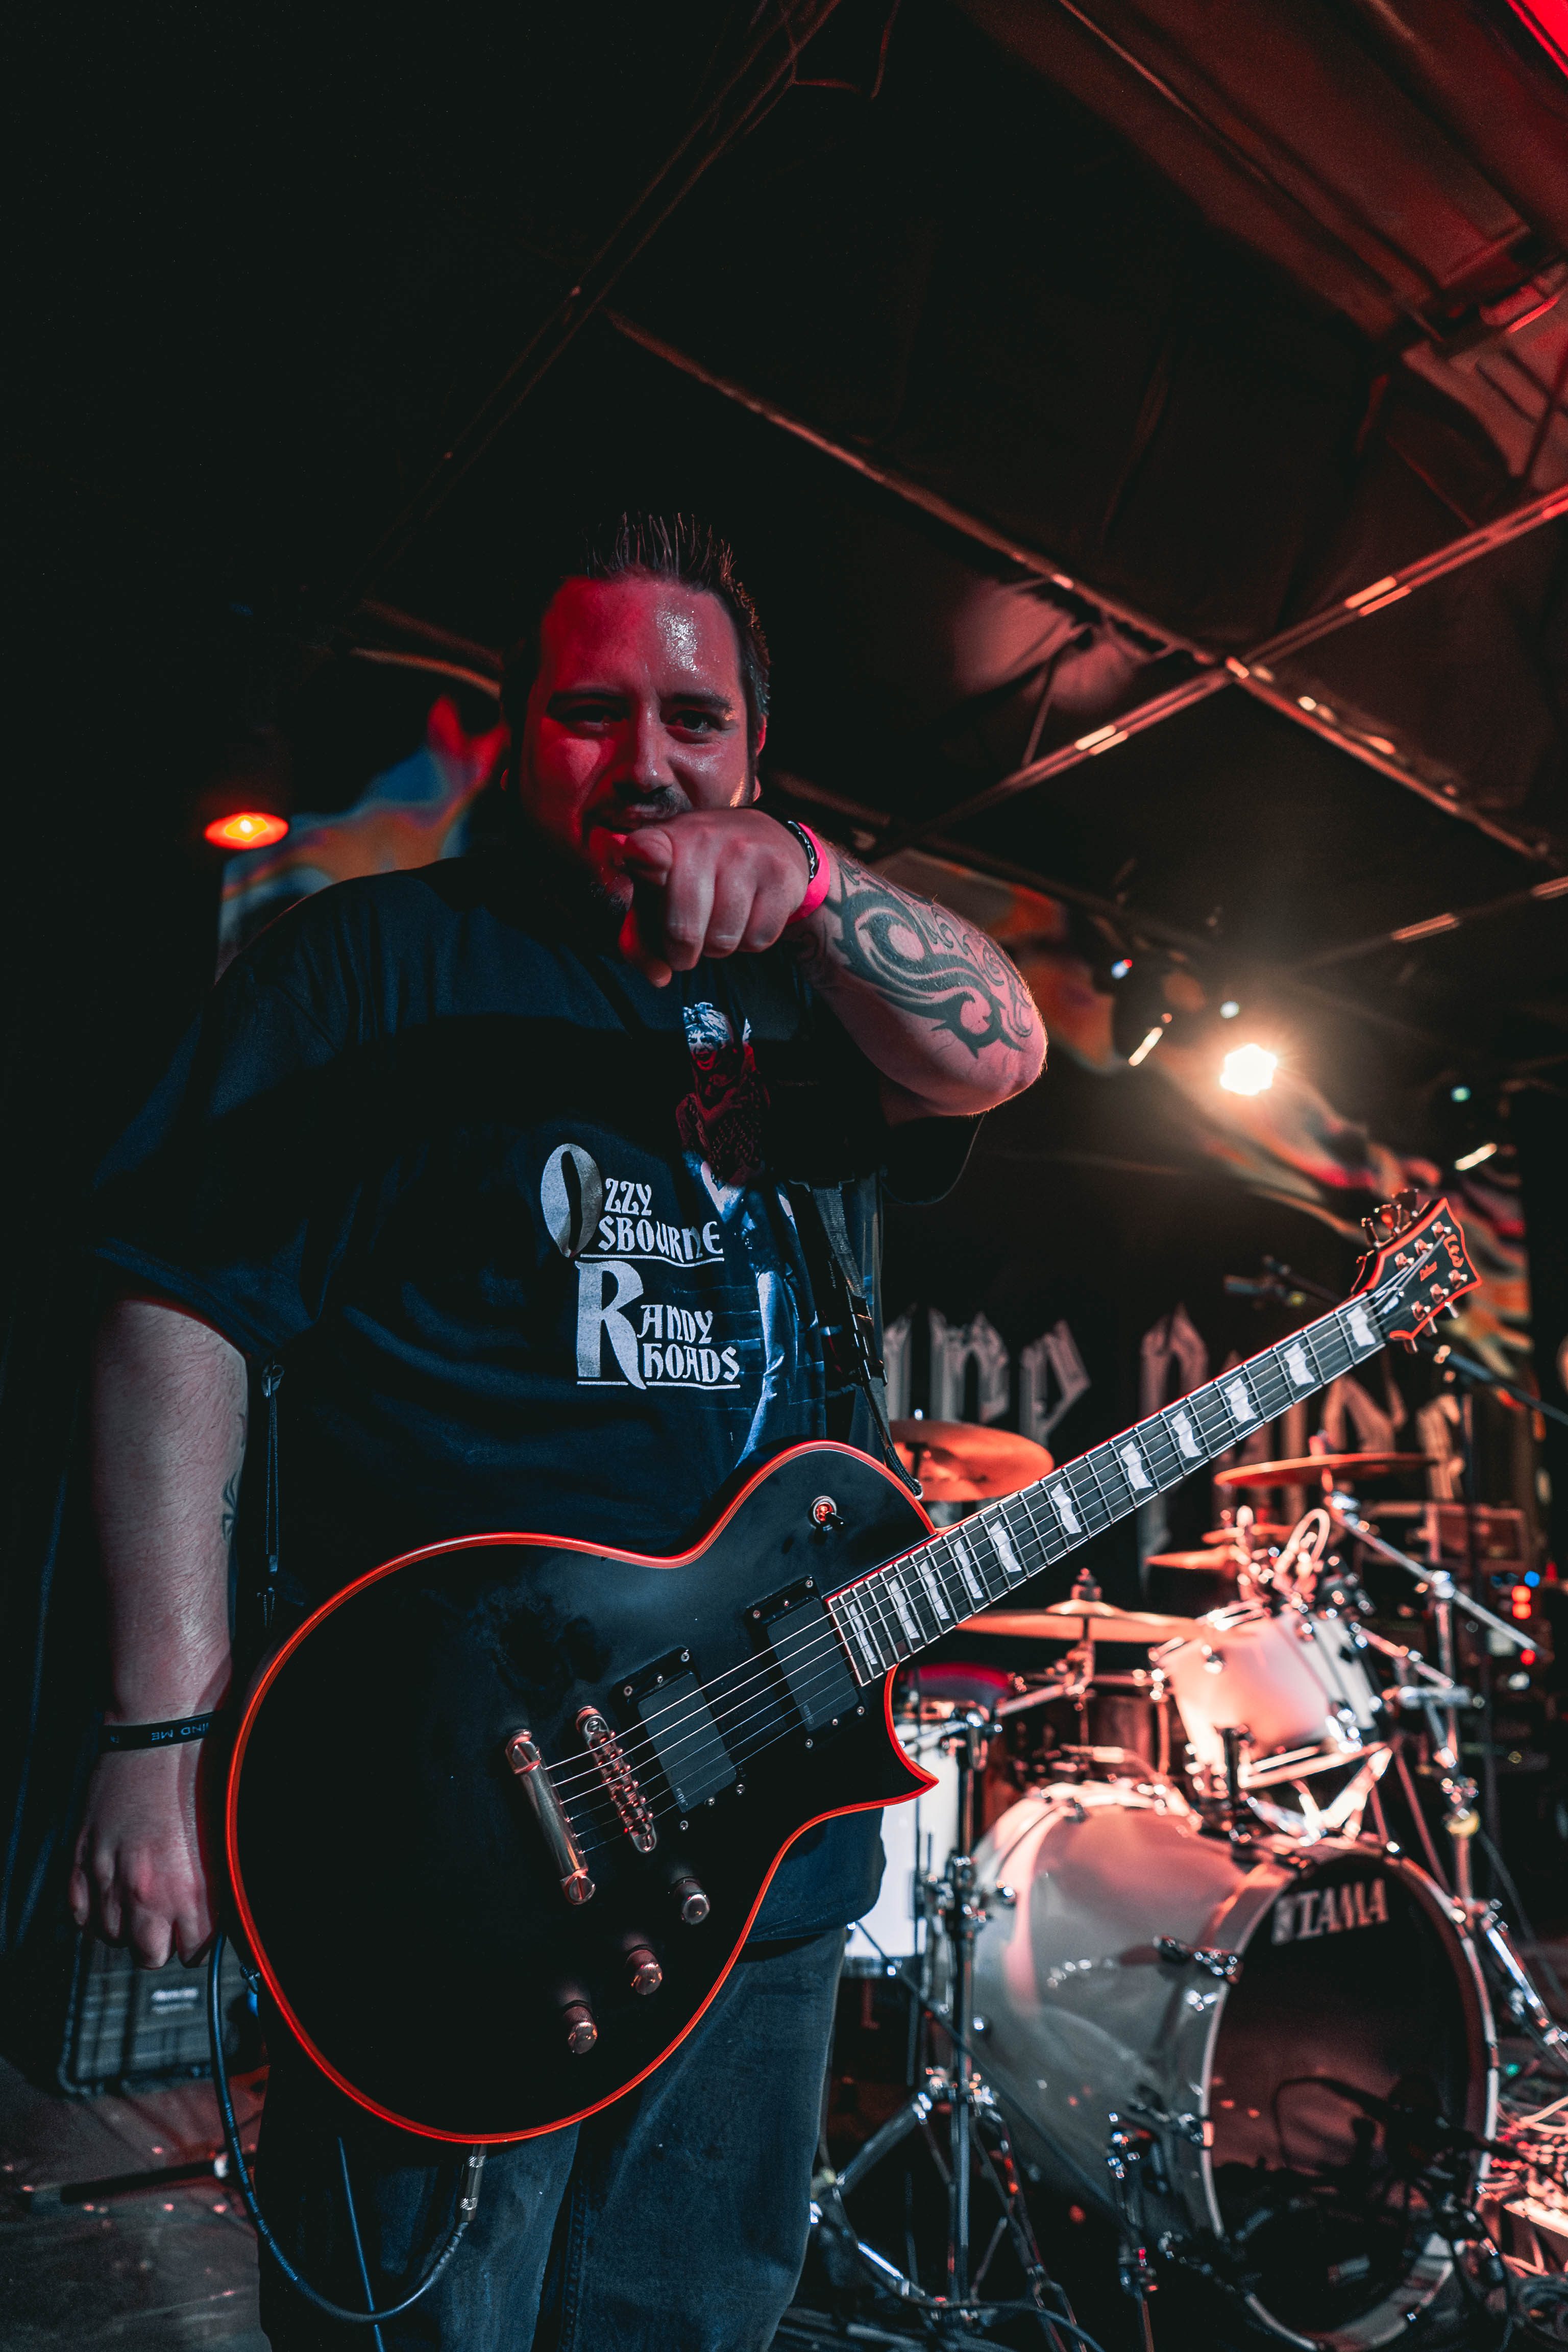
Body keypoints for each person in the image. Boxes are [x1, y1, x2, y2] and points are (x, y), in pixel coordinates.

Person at [74, 512, 1046, 2349]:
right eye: (594, 713)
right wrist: (158, 1728)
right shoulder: (367, 966)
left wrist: (814, 881)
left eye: (697, 717)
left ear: (757, 746)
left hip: (762, 1845)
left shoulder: (815, 1015)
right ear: (519, 732)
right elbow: (173, 1314)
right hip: (458, 1826)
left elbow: (1000, 1045)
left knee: (690, 2317)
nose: (648, 761)